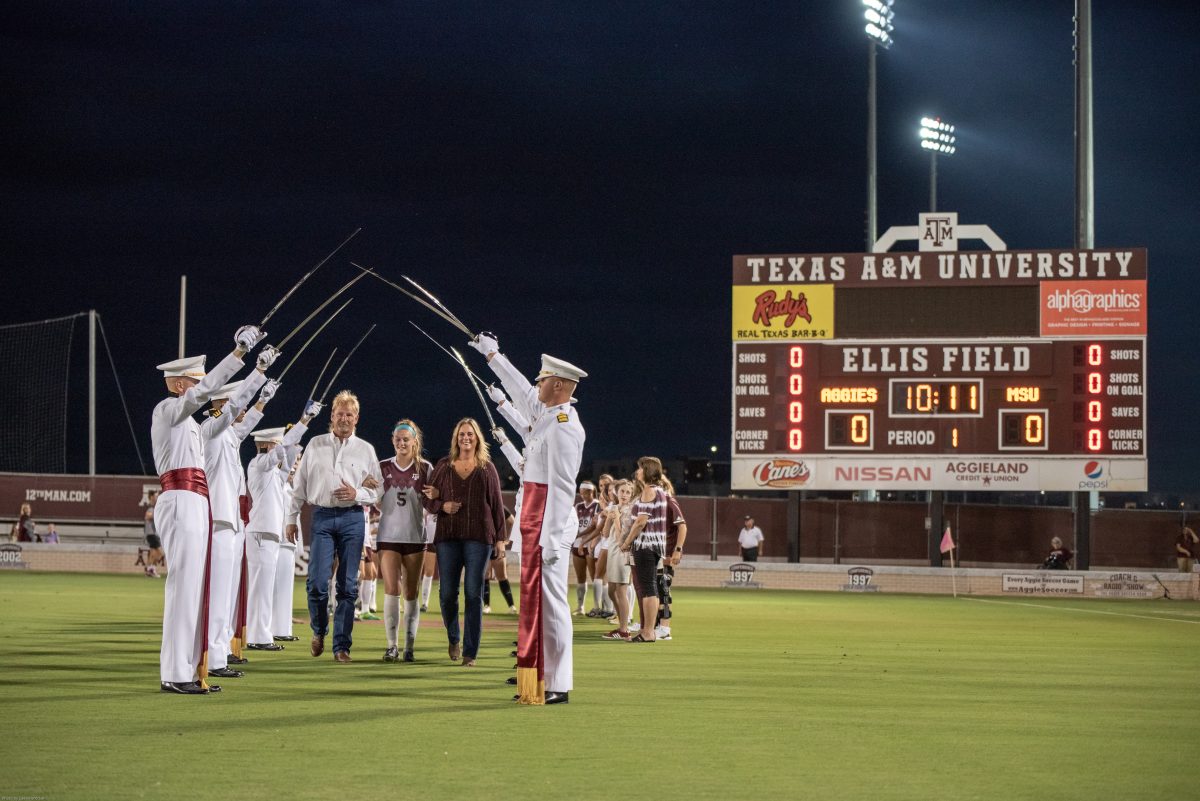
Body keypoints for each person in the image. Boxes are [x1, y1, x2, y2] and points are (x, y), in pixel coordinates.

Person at [152, 324, 267, 695]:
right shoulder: (168, 410)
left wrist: (258, 374)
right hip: (180, 499)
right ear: (182, 384)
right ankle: (175, 671)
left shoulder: (194, 427)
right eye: (197, 383)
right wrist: (237, 354)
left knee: (193, 589)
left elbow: (233, 409)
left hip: (196, 502)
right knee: (184, 588)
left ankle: (186, 666)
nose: (204, 390)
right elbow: (208, 395)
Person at [472, 335, 586, 706]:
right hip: (535, 519)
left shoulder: (565, 424)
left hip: (549, 523)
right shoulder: (548, 417)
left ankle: (559, 681)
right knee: (537, 600)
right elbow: (521, 391)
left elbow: (563, 485)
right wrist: (492, 355)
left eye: (542, 380)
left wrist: (552, 539)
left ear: (557, 385)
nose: (535, 385)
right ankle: (536, 670)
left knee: (553, 603)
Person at [286, 389, 382, 664]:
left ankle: (342, 646)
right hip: (323, 517)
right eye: (340, 413)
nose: (344, 418)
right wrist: (291, 518)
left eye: (349, 414)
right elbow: (299, 486)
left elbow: (377, 490)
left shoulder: (366, 450)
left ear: (356, 418)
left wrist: (357, 495)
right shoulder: (315, 444)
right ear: (332, 415)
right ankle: (319, 630)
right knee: (317, 583)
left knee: (348, 586)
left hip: (353, 518)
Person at [201, 374, 273, 679]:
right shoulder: (211, 430)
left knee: (227, 594)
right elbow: (226, 414)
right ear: (221, 403)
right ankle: (212, 656)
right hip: (217, 521)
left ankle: (220, 652)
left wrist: (263, 400)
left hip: (231, 522)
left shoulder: (229, 435)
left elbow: (242, 423)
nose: (241, 410)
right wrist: (255, 377)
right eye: (235, 402)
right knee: (217, 594)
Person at [422, 417, 506, 668]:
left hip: (480, 538)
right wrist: (441, 505)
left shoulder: (486, 467)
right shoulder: (444, 465)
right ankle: (453, 638)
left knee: (473, 593)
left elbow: (496, 503)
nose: (466, 438)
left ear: (477, 438)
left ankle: (470, 652)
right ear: (456, 439)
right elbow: (427, 498)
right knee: (447, 594)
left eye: (470, 434)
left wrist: (500, 539)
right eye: (461, 434)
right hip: (448, 536)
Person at [245, 407, 316, 650]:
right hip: (261, 533)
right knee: (261, 589)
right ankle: (258, 636)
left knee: (265, 588)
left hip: (269, 534)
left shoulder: (273, 473)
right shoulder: (258, 465)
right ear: (267, 446)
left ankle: (262, 634)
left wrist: (304, 421)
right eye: (276, 446)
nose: (280, 452)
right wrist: (299, 425)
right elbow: (283, 449)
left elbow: (289, 454)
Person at [376, 419, 434, 663]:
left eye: (406, 439)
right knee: (391, 589)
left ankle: (409, 646)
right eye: (397, 439)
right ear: (393, 440)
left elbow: (431, 504)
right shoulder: (381, 467)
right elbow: (375, 499)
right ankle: (392, 646)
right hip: (388, 536)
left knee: (411, 593)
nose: (401, 443)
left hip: (414, 537)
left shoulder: (425, 468)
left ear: (414, 441)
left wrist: (436, 497)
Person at [623, 457, 669, 643]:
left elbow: (641, 521)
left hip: (645, 545)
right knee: (652, 588)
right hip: (655, 545)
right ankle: (648, 630)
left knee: (648, 589)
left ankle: (648, 632)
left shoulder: (649, 491)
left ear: (648, 470)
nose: (637, 472)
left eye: (640, 468)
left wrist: (626, 542)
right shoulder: (659, 490)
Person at [601, 480, 635, 640]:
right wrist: (609, 517)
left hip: (623, 553)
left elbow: (622, 534)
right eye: (622, 491)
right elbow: (606, 533)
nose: (624, 495)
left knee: (621, 590)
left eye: (628, 492)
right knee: (610, 590)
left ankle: (624, 629)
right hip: (613, 552)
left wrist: (616, 518)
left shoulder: (630, 510)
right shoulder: (614, 508)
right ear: (617, 492)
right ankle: (622, 621)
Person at [572, 481, 602, 616]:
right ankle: (580, 606)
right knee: (580, 577)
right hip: (577, 543)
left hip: (590, 544)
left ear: (592, 492)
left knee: (594, 576)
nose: (583, 494)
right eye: (581, 491)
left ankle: (598, 606)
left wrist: (587, 541)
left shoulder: (597, 505)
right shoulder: (577, 506)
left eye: (586, 491)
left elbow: (596, 527)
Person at [143, 491, 165, 576]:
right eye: (155, 496)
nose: (157, 497)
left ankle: (149, 570)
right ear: (151, 497)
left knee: (153, 553)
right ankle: (151, 569)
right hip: (151, 533)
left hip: (153, 533)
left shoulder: (155, 507)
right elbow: (147, 516)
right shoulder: (151, 507)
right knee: (160, 553)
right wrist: (158, 515)